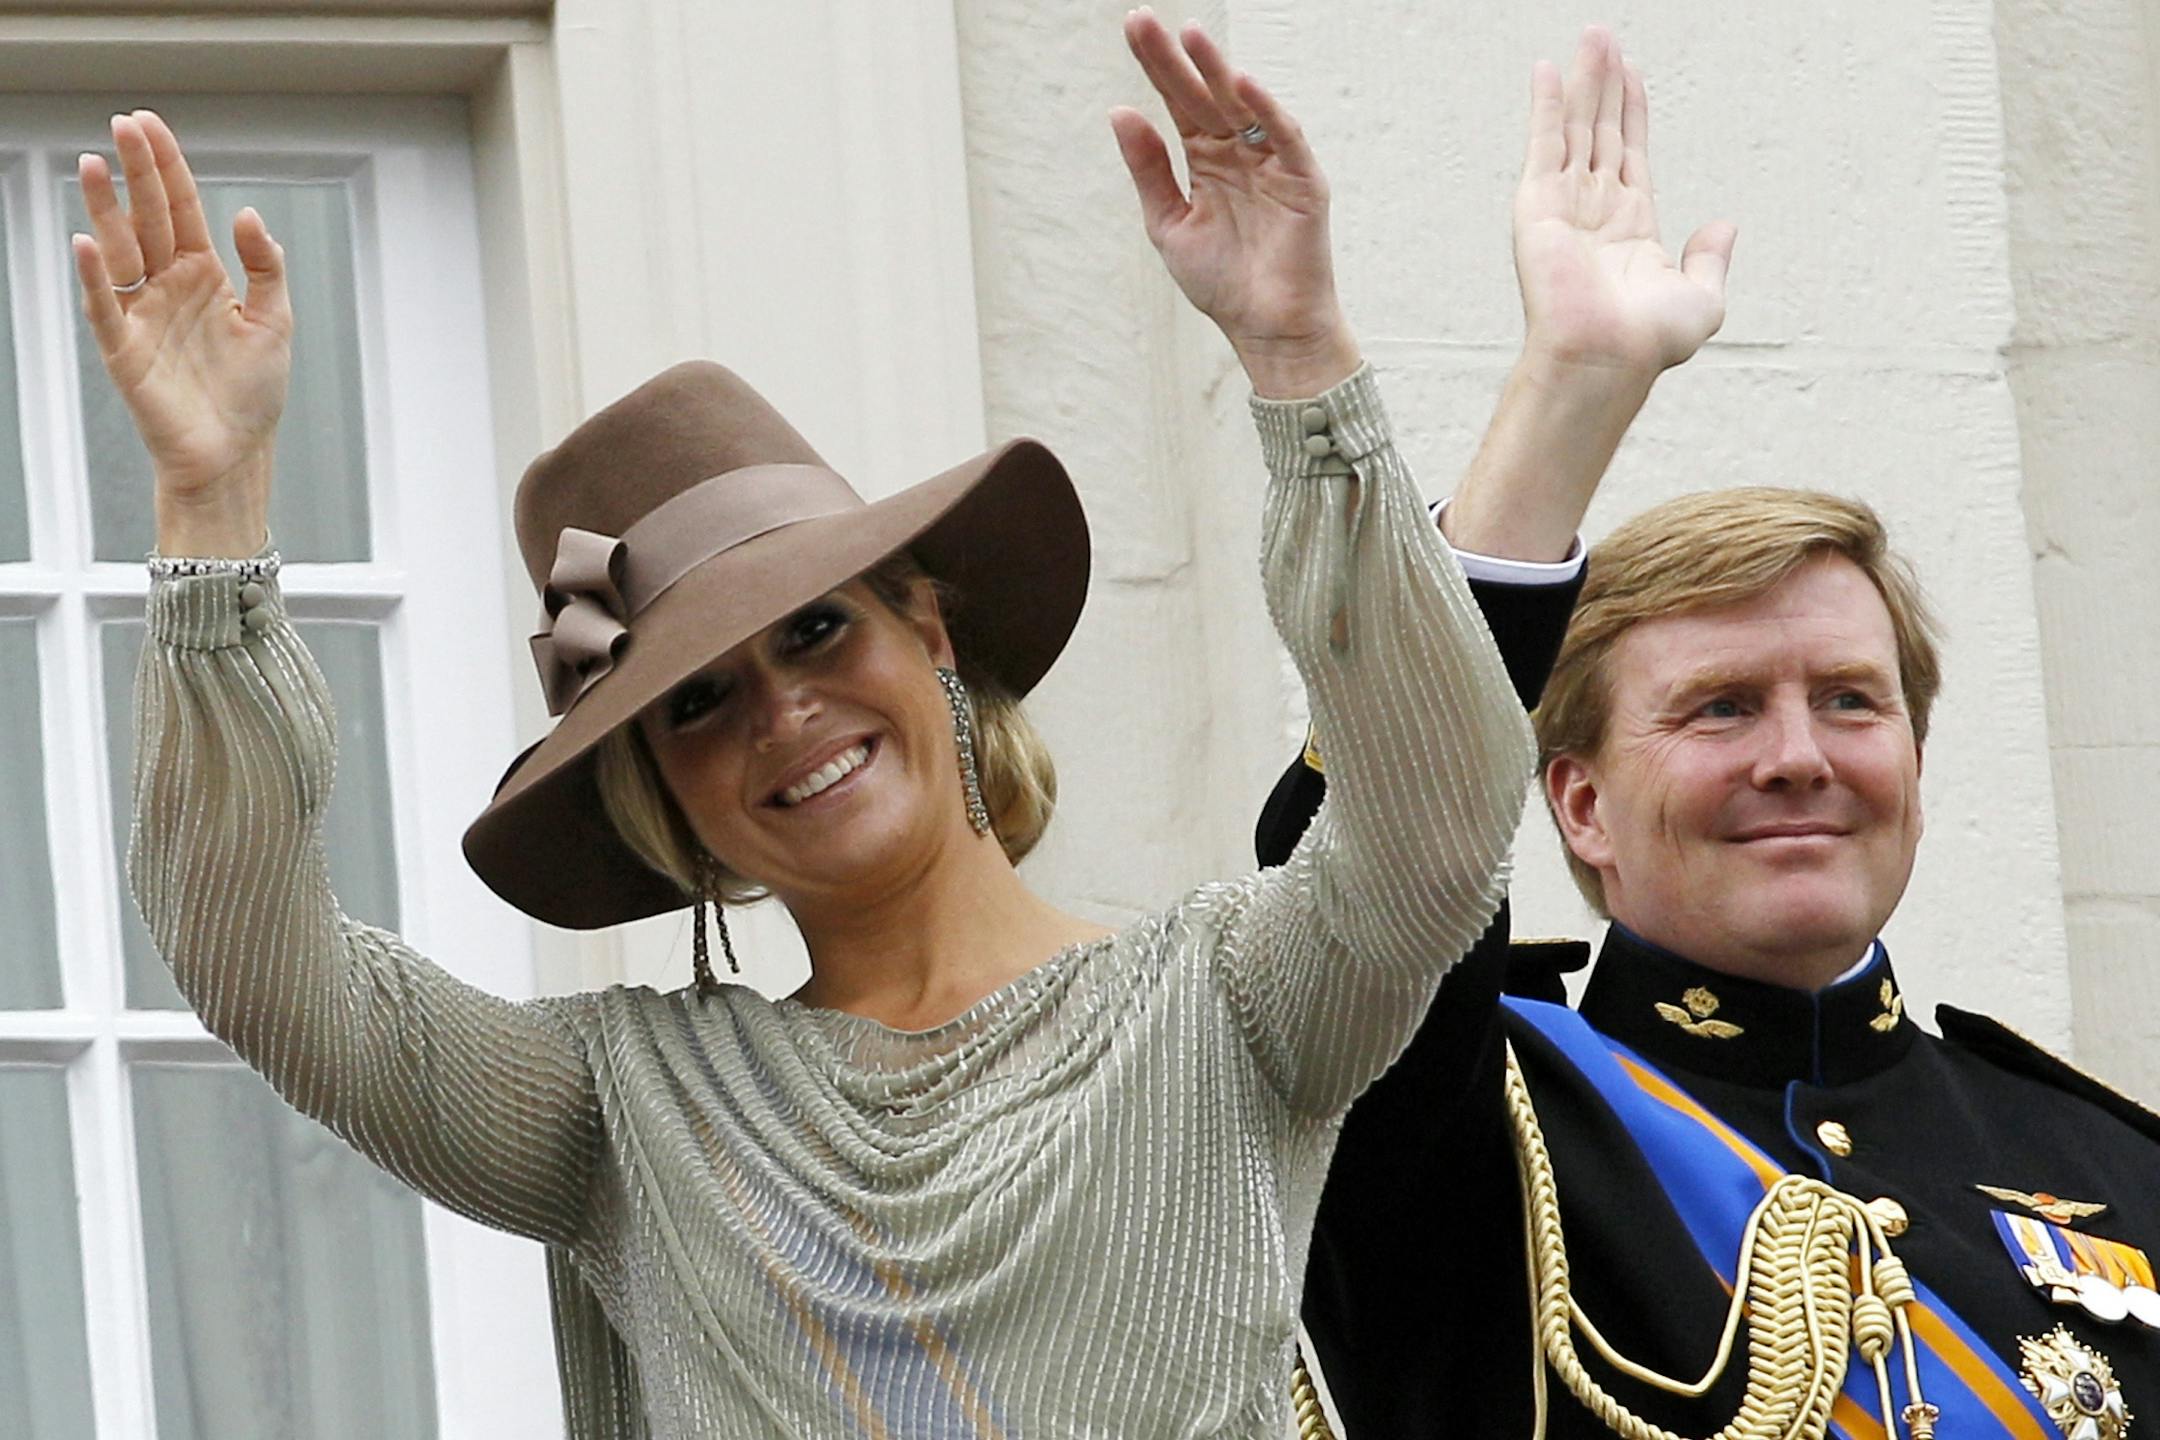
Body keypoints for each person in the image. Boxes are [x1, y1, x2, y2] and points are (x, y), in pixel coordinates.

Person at [76, 13, 1535, 1438]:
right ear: (664, 797)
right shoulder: (623, 1111)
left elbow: (1439, 820)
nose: (784, 712)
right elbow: (257, 962)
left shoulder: (1227, 1003)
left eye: (820, 628)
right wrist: (214, 507)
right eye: (699, 702)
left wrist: (1300, 363)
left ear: (935, 632)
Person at [1259, 28, 2160, 1440]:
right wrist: (1569, 396)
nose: (1798, 754)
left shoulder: (2107, 1163)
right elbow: (1359, 870)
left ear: (1914, 771)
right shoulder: (1454, 1119)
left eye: (1851, 702)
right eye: (1721, 708)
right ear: (1580, 807)